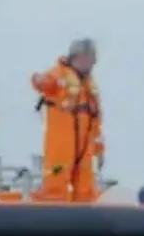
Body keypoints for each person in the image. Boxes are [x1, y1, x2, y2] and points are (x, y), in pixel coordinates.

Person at [32, 38, 104, 202]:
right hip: (61, 147)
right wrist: (38, 80)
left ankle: (83, 221)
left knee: (85, 190)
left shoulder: (89, 87)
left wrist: (99, 149)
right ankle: (53, 219)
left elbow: (96, 122)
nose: (93, 63)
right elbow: (44, 83)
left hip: (85, 149)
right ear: (79, 57)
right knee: (55, 185)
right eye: (91, 58)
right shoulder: (59, 74)